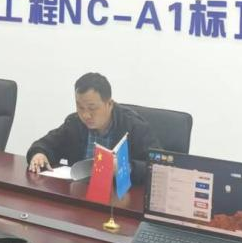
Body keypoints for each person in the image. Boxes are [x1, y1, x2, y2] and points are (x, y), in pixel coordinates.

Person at [26, 72, 161, 184]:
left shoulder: (133, 127)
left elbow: (158, 169)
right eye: (80, 107)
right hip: (79, 192)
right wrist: (39, 154)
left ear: (109, 104)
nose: (85, 115)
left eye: (92, 108)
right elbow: (46, 144)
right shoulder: (75, 123)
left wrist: (125, 167)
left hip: (118, 199)